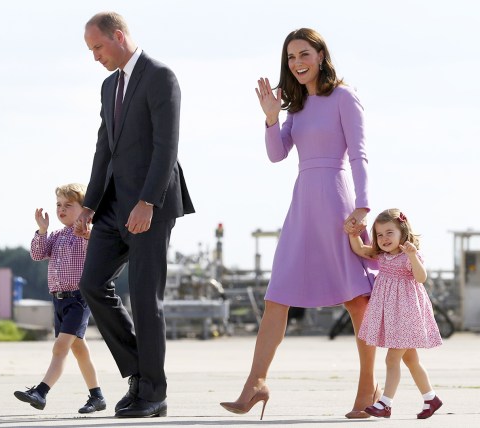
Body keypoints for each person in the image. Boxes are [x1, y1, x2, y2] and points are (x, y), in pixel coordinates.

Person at [220, 28, 380, 420]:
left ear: (321, 55)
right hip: (303, 201)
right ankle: (255, 384)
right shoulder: (296, 106)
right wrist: (272, 120)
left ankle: (368, 387)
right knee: (278, 295)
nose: (297, 62)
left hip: (338, 200)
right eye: (291, 57)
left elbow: (359, 154)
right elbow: (277, 155)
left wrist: (363, 206)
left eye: (304, 53)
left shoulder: (344, 96)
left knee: (357, 299)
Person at [74, 11, 194, 419]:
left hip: (149, 206)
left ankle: (153, 393)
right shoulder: (109, 86)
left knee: (145, 300)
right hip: (111, 207)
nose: (95, 57)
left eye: (98, 47)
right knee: (92, 284)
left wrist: (149, 201)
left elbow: (167, 147)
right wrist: (89, 204)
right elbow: (103, 149)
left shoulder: (160, 77)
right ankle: (138, 374)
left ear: (119, 37)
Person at [13, 183, 106, 414]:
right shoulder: (56, 236)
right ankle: (97, 397)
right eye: (58, 205)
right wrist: (42, 231)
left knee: (60, 347)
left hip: (78, 299)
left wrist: (87, 233)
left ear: (84, 209)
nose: (61, 210)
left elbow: (99, 250)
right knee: (79, 351)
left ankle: (41, 392)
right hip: (59, 300)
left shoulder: (86, 235)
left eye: (68, 205)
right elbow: (37, 254)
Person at [346, 208, 443, 419]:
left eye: (389, 232)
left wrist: (412, 255)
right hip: (393, 315)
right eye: (380, 234)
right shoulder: (381, 255)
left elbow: (421, 277)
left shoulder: (409, 255)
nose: (384, 238)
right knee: (411, 361)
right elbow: (361, 250)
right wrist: (353, 235)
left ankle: (385, 403)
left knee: (392, 359)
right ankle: (431, 398)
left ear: (402, 232)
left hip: (407, 313)